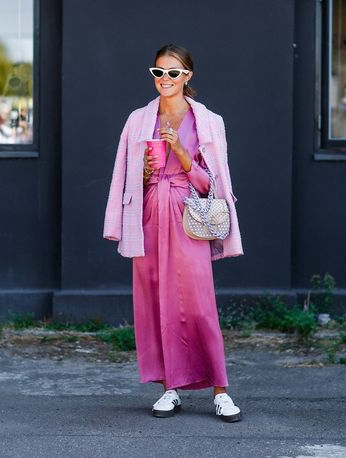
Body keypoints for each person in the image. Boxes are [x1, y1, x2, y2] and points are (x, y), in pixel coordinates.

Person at [103, 44, 244, 422]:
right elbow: (127, 174)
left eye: (173, 72)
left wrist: (180, 150)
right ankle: (170, 388)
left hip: (187, 214)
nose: (164, 79)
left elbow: (209, 182)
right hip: (149, 214)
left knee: (199, 303)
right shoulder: (138, 119)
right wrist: (147, 171)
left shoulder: (208, 121)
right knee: (156, 303)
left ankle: (221, 390)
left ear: (188, 76)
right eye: (158, 72)